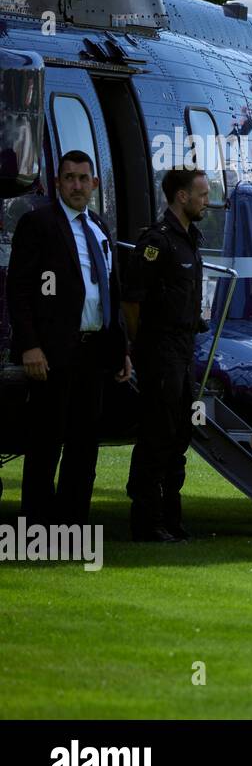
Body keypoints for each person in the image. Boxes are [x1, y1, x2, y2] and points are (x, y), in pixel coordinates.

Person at [6, 150, 130, 526]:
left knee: (84, 445)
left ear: (94, 183)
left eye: (83, 178)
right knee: (45, 444)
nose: (77, 185)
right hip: (52, 353)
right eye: (69, 178)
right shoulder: (38, 223)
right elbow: (19, 288)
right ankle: (38, 526)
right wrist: (29, 345)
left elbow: (111, 291)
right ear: (58, 183)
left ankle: (73, 522)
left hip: (95, 353)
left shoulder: (100, 228)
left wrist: (121, 349)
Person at [122, 167, 209, 542]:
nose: (208, 200)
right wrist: (144, 346)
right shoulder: (157, 242)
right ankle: (146, 519)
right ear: (181, 197)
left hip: (184, 349)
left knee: (179, 435)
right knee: (158, 435)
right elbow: (132, 300)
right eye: (202, 194)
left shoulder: (190, 239)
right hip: (160, 349)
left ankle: (170, 517)